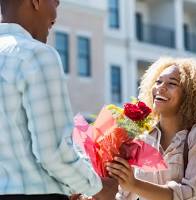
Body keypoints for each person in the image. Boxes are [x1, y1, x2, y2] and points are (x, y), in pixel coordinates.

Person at [0, 0, 117, 199]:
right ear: (35, 2)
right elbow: (53, 153)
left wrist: (72, 186)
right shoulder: (37, 55)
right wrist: (99, 188)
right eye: (54, 0)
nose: (58, 4)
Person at [106, 57, 196, 200]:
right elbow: (124, 196)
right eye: (158, 81)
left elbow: (189, 195)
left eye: (172, 84)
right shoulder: (142, 139)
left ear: (191, 95)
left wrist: (134, 184)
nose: (160, 87)